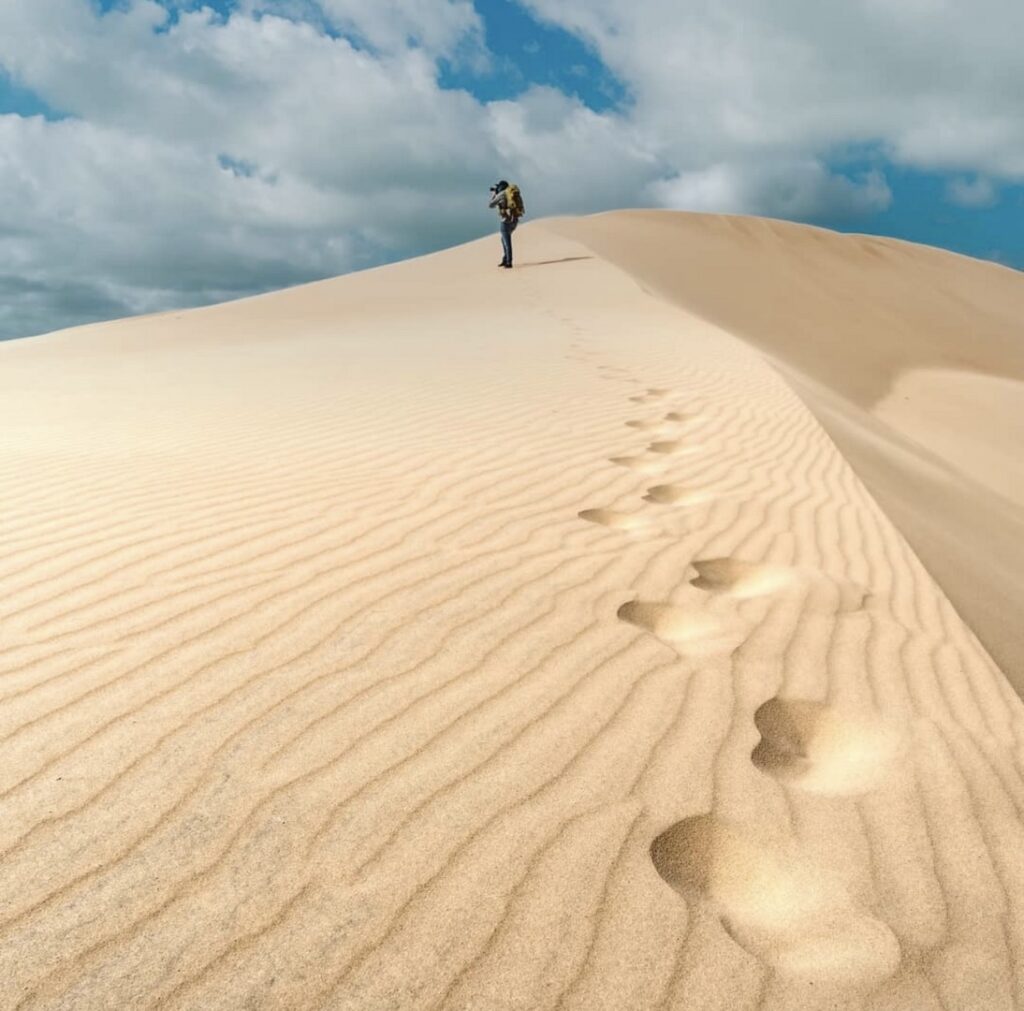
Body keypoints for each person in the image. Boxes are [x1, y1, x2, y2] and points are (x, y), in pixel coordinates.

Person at [488, 180, 522, 269]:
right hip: (514, 220)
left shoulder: (501, 194)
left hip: (505, 221)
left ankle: (508, 262)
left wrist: (494, 195)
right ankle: (505, 258)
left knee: (507, 242)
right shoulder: (510, 193)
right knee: (503, 239)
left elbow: (490, 205)